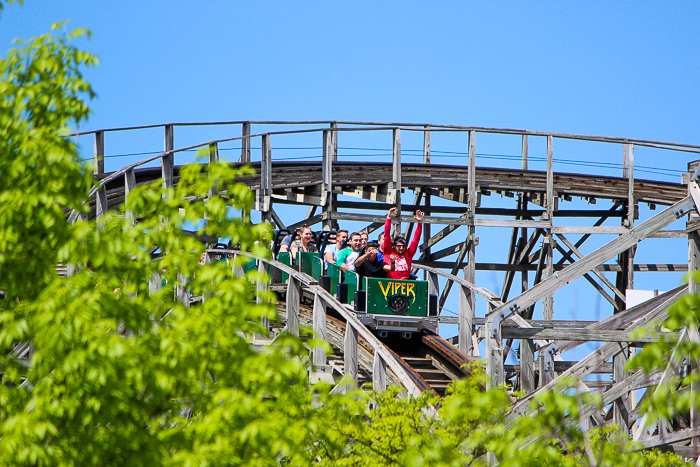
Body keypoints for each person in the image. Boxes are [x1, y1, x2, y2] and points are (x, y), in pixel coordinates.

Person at [383, 207, 423, 280]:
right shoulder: (388, 252)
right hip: (390, 285)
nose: (401, 248)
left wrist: (420, 223)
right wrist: (388, 218)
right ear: (394, 245)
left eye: (403, 246)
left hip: (405, 286)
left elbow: (416, 239)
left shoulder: (408, 254)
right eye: (399, 246)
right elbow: (386, 236)